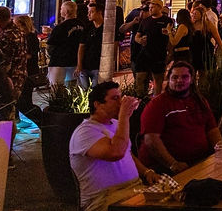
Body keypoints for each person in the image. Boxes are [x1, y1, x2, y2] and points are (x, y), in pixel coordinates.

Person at [69, 83, 161, 211]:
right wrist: (124, 115)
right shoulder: (85, 132)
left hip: (134, 188)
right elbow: (116, 153)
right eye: (115, 98)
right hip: (103, 198)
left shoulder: (117, 124)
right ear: (97, 104)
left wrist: (146, 172)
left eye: (120, 97)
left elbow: (127, 152)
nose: (121, 102)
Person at [139, 61, 221, 173]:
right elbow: (151, 140)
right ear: (169, 80)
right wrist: (173, 164)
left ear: (192, 80)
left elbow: (212, 130)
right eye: (175, 77)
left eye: (184, 77)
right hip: (167, 166)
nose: (179, 80)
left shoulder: (200, 101)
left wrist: (220, 151)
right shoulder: (158, 104)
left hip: (200, 161)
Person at [133, 0, 173, 97]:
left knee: (158, 80)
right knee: (140, 78)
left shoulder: (167, 21)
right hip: (144, 54)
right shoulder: (145, 21)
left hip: (159, 54)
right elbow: (137, 36)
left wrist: (170, 53)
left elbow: (170, 38)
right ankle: (140, 99)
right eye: (149, 7)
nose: (150, 9)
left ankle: (156, 99)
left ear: (160, 7)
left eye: (153, 7)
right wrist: (140, 40)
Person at [0, 6, 28, 112]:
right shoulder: (18, 31)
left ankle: (5, 129)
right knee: (9, 112)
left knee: (3, 113)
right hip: (18, 78)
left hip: (8, 82)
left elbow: (4, 63)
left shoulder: (6, 36)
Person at [47, 0, 83, 87]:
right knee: (71, 87)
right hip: (74, 61)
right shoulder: (82, 25)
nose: (60, 11)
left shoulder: (61, 27)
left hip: (59, 61)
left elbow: (50, 44)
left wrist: (49, 55)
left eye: (61, 9)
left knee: (56, 87)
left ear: (66, 12)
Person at [13, 14, 41, 118]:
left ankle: (33, 117)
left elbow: (31, 54)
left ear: (21, 24)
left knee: (24, 98)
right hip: (28, 70)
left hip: (28, 71)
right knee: (24, 97)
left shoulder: (30, 37)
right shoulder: (27, 36)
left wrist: (17, 57)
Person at [75, 0, 105, 88]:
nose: (89, 15)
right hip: (85, 65)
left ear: (99, 12)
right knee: (84, 90)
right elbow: (81, 46)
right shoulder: (87, 28)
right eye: (88, 12)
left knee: (96, 89)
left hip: (98, 66)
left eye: (91, 12)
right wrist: (79, 65)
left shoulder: (106, 29)